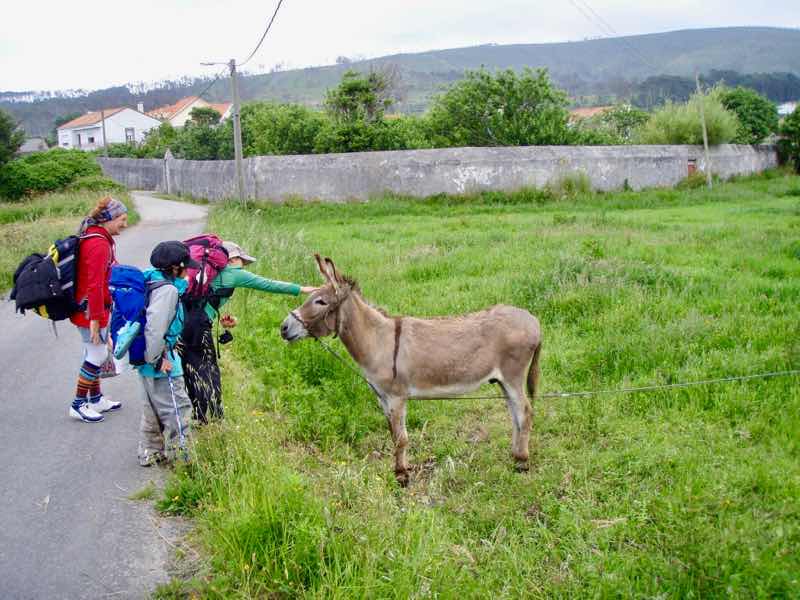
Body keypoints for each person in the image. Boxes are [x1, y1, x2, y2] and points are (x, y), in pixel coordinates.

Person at [179, 240, 316, 423]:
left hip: (183, 323)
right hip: (198, 326)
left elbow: (202, 301)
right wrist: (302, 289)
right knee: (208, 370)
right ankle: (214, 417)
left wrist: (218, 318)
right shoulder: (235, 273)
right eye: (242, 261)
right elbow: (268, 284)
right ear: (233, 259)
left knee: (191, 369)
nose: (244, 265)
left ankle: (199, 414)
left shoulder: (205, 273)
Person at [136, 241, 199, 466]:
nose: (188, 270)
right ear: (175, 267)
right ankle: (183, 460)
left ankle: (150, 453)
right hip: (160, 358)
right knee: (178, 408)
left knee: (151, 409)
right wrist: (157, 359)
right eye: (185, 267)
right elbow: (155, 327)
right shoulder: (167, 290)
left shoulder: (149, 279)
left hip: (143, 358)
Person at [69, 196, 128, 423]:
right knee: (97, 354)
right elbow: (94, 283)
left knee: (95, 351)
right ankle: (78, 404)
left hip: (91, 309)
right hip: (90, 311)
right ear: (109, 219)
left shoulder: (97, 237)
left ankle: (95, 398)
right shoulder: (98, 244)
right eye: (122, 219)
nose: (125, 223)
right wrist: (95, 318)